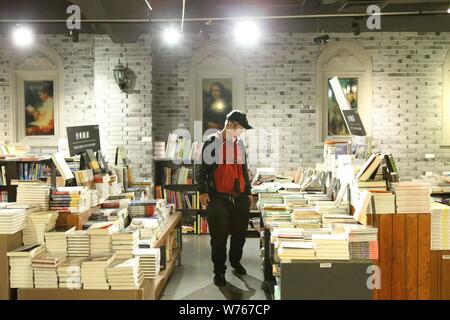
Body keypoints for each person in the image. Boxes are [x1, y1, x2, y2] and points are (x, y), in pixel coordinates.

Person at [196, 110, 253, 287]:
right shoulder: (212, 143)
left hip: (240, 197)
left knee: (239, 235)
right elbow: (200, 169)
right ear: (230, 125)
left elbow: (244, 170)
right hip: (218, 198)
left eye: (242, 129)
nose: (241, 132)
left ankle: (235, 261)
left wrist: (249, 192)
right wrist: (202, 192)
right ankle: (219, 271)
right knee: (219, 238)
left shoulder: (240, 144)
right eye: (240, 128)